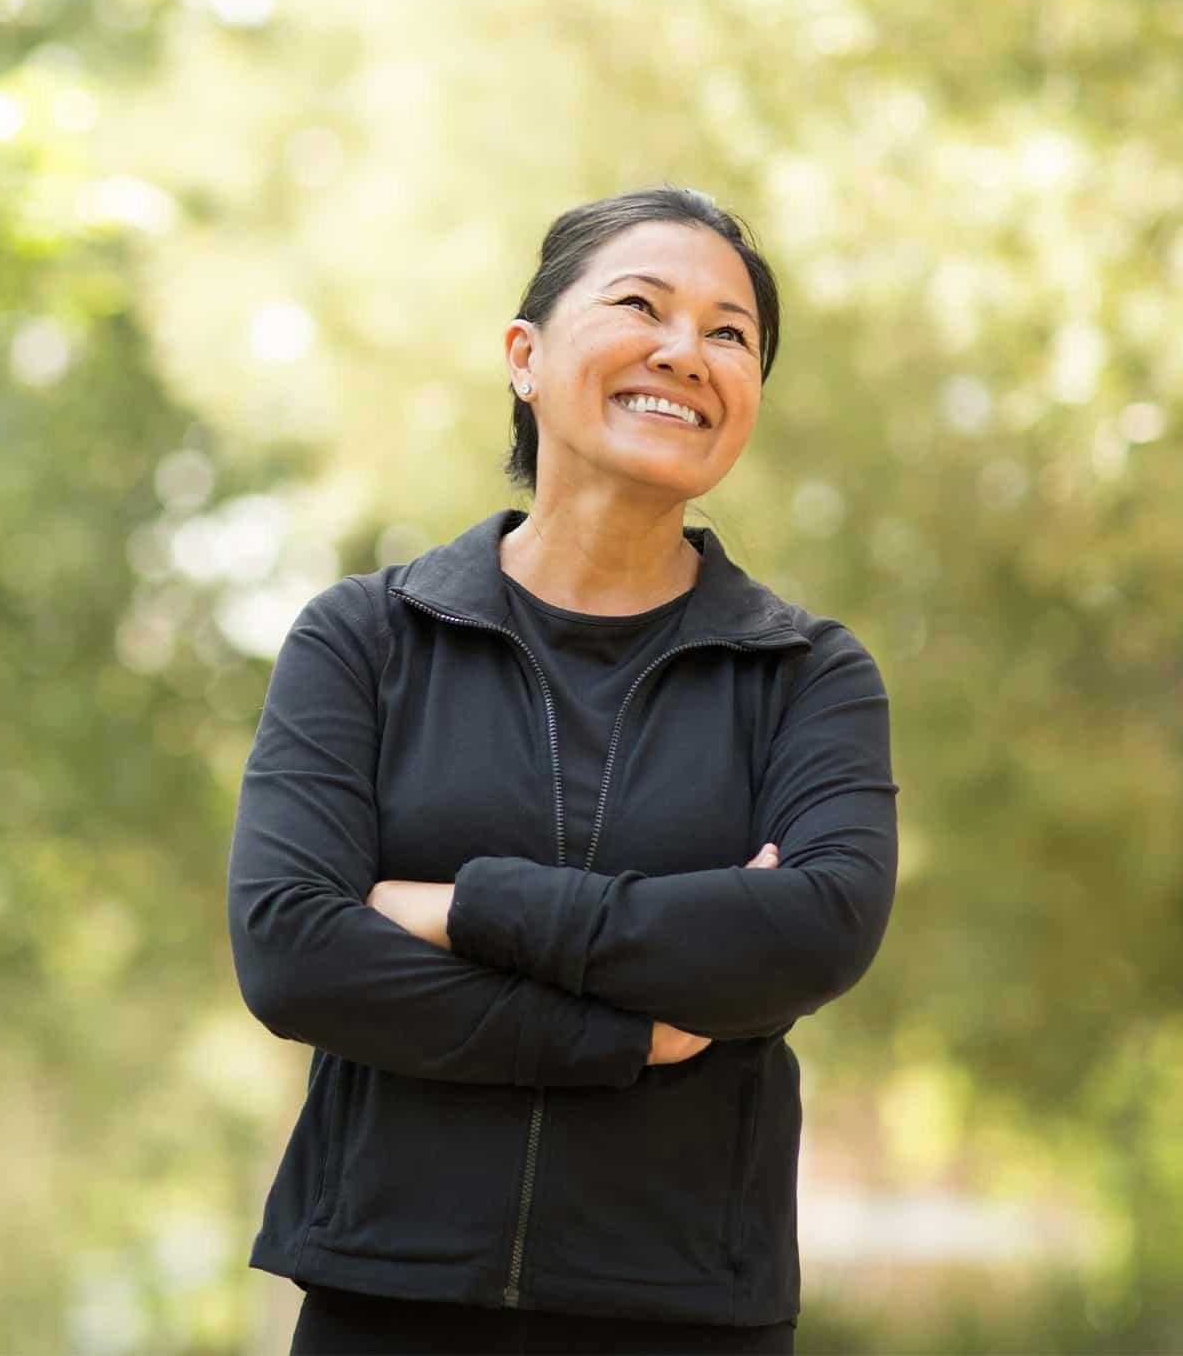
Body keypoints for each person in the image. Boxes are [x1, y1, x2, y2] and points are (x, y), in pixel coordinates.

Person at [227, 186, 900, 1354]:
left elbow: (814, 930)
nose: (686, 352)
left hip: (688, 1312)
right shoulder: (366, 639)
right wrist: (624, 1035)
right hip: (386, 1300)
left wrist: (459, 906)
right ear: (524, 357)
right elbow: (293, 951)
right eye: (640, 305)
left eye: (730, 333)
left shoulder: (805, 673)